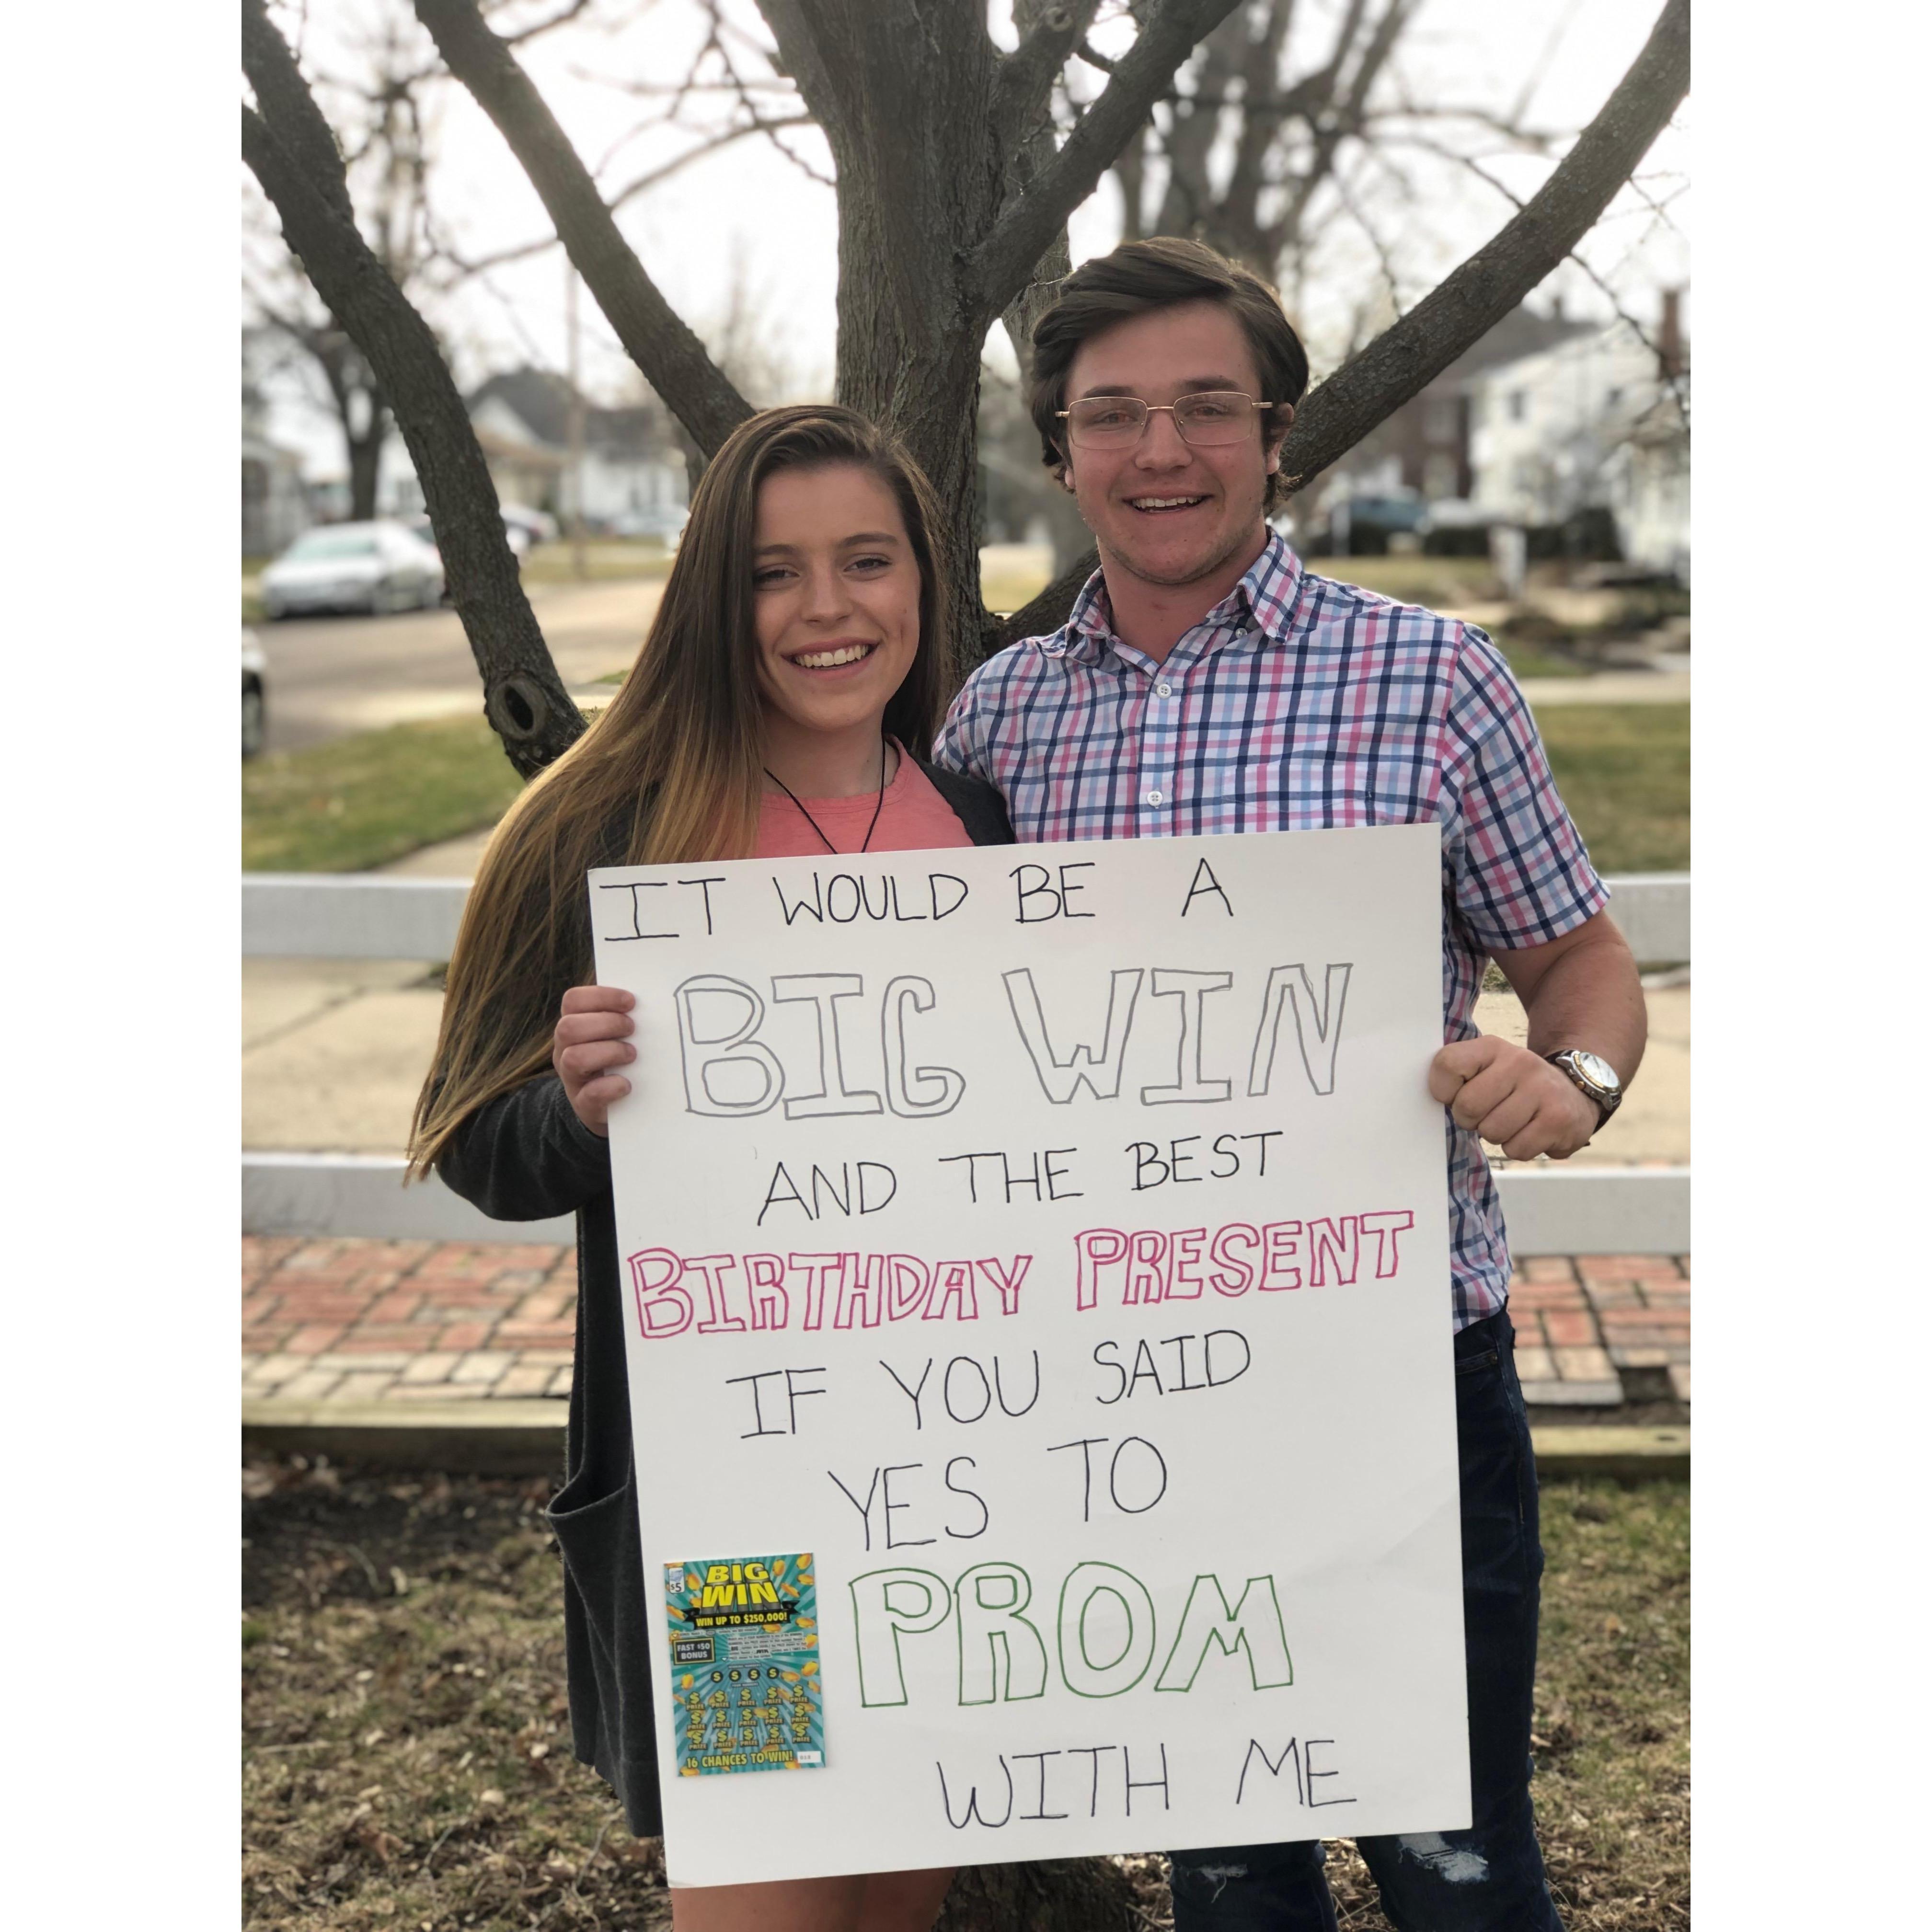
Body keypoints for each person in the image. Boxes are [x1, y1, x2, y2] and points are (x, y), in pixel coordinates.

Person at [933, 237, 1648, 1932]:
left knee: (1459, 1864)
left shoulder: (1433, 678)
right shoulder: (1002, 721)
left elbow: (1580, 958)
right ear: (1058, 451)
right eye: (1112, 415)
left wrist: (1576, 1078)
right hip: (1129, 1392)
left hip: (1397, 1370)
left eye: (1206, 406)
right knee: (1232, 1872)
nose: (1160, 450)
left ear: (1276, 433)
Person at [409, 404, 1013, 1932]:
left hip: (966, 1494)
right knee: (765, 1892)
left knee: (896, 1901)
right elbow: (472, 1140)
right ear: (709, 598)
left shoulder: (987, 829)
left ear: (923, 580)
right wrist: (577, 1108)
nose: (826, 609)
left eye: (867, 561)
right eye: (770, 573)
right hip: (732, 1517)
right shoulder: (604, 829)